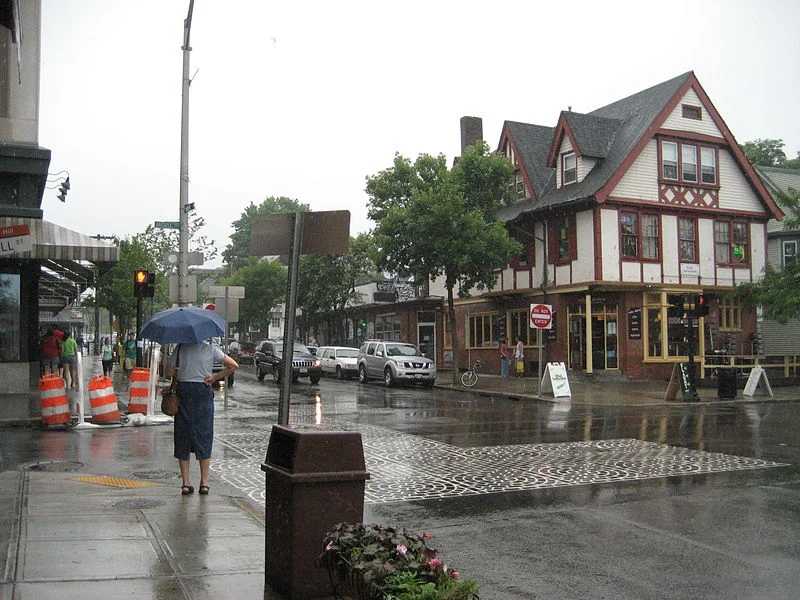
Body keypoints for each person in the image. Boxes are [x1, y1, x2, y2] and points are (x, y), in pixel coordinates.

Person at [166, 341, 238, 496]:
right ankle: (204, 483)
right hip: (203, 391)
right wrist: (214, 377)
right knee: (204, 435)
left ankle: (186, 483)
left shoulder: (179, 348)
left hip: (183, 393)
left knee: (182, 434)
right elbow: (233, 366)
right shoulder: (211, 349)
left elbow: (169, 373)